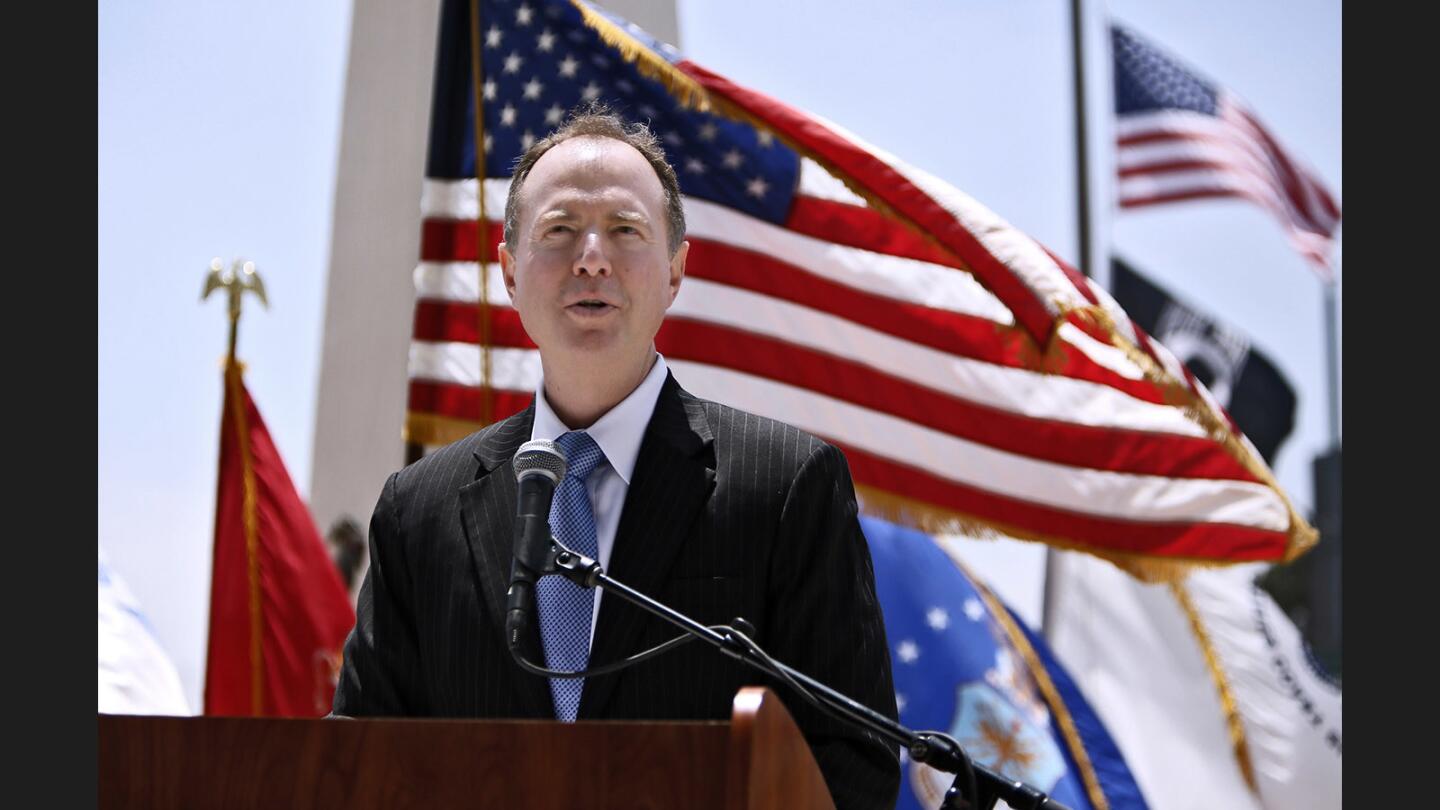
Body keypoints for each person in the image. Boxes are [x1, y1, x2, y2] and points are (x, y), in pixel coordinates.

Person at [333, 108, 900, 808]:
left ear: (675, 271)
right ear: (509, 273)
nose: (591, 257)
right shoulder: (418, 512)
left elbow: (853, 765)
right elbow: (358, 761)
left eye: (625, 231)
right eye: (560, 229)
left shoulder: (787, 487)